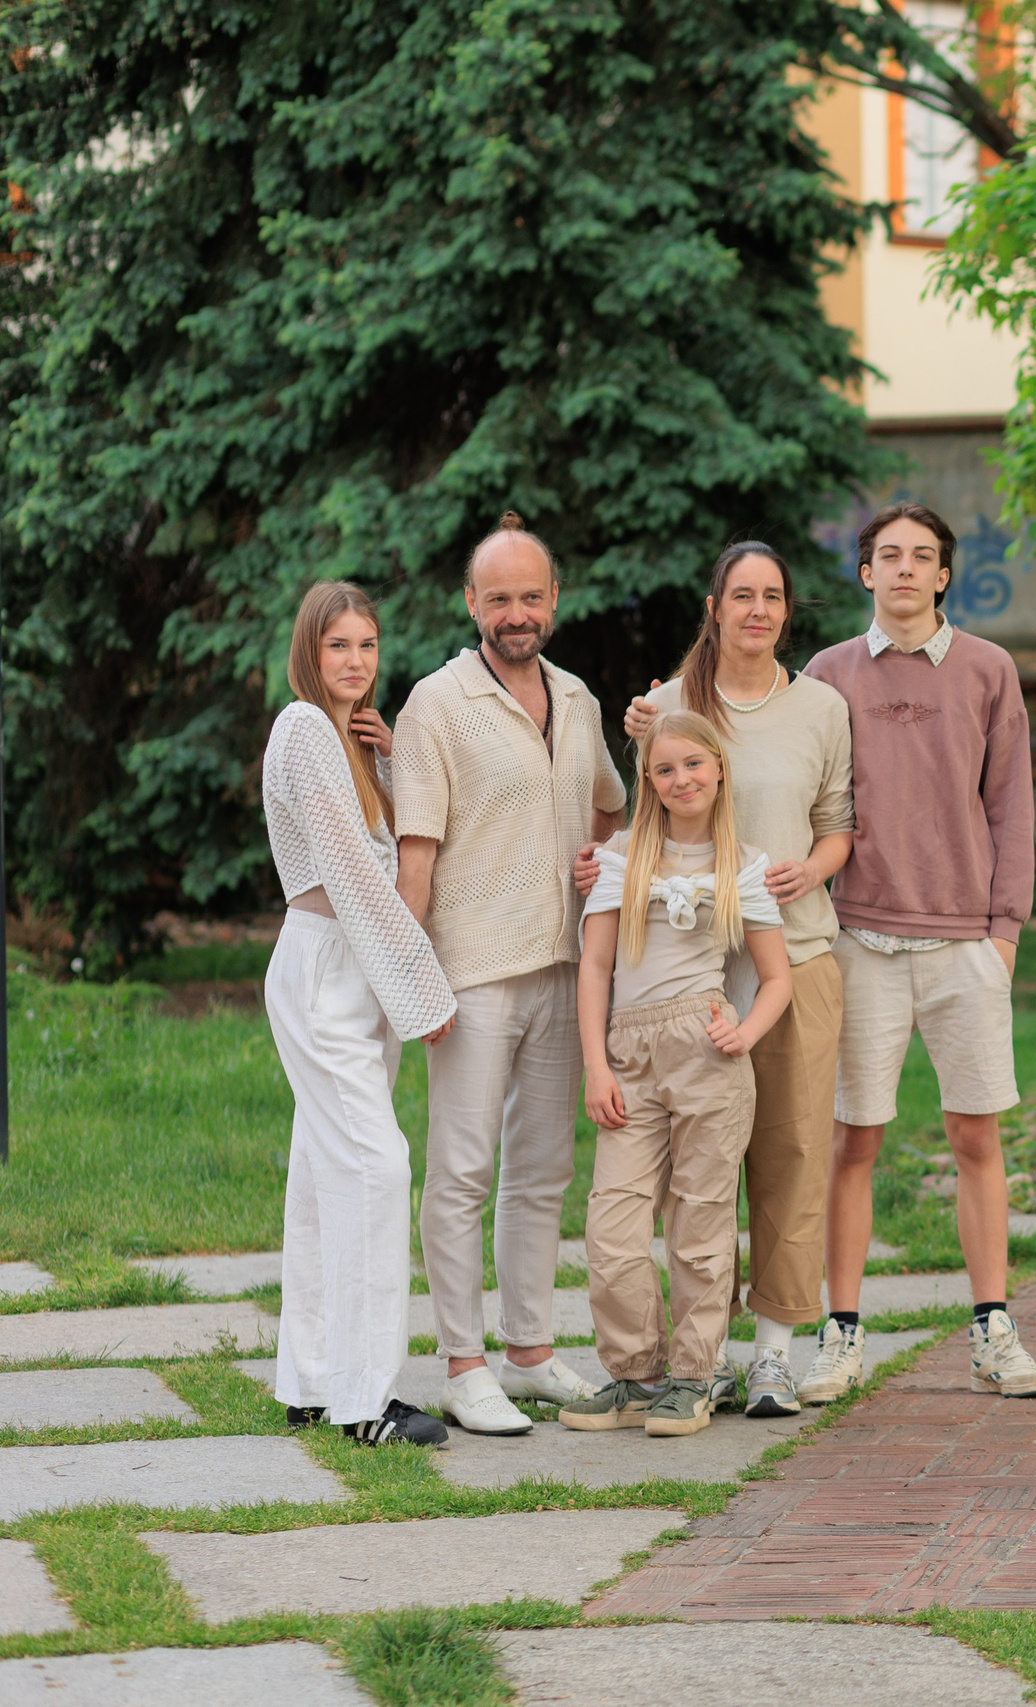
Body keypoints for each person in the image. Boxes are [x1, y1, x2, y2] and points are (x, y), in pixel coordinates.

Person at [801, 502, 1036, 1399]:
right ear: (864, 572)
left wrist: (1005, 935)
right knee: (853, 1136)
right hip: (860, 938)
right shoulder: (827, 674)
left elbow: (1010, 806)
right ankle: (840, 1333)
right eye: (887, 555)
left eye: (922, 556)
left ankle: (993, 1329)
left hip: (966, 947)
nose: (905, 569)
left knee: (975, 1134)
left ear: (945, 574)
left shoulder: (989, 669)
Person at [608, 545, 854, 1420]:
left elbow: (839, 826)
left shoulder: (821, 705)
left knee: (790, 1160)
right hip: (688, 977)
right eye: (741, 595)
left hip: (795, 958)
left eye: (773, 597)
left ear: (788, 611)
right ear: (713, 606)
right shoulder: (667, 705)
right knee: (693, 1175)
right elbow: (640, 818)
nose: (758, 609)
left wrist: (811, 871)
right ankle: (694, 1354)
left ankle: (774, 1355)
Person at [394, 512, 624, 1435]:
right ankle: (463, 1362)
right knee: (460, 1167)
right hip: (472, 974)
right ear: (471, 603)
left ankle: (529, 1351)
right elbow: (416, 855)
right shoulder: (435, 705)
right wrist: (412, 981)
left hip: (567, 966)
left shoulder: (576, 697)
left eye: (532, 596)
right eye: (499, 598)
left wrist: (596, 860)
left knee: (541, 1169)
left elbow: (612, 807)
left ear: (555, 600)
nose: (516, 612)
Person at [263, 582, 458, 1448]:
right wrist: (422, 993)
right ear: (311, 651)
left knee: (324, 1170)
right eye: (339, 646)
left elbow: (372, 842)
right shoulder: (302, 727)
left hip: (355, 972)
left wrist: (382, 763)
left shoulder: (344, 740)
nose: (355, 662)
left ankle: (310, 1380)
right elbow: (350, 876)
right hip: (328, 966)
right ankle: (366, 1400)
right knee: (378, 1167)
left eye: (368, 646)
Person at [564, 711, 794, 1436]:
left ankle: (695, 1374)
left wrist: (744, 1028)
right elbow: (595, 965)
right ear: (650, 783)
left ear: (718, 769)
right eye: (665, 770)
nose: (681, 778)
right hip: (629, 1056)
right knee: (614, 1227)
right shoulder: (621, 857)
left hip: (706, 1051)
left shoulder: (742, 865)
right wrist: (596, 1064)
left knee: (700, 1221)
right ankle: (636, 1373)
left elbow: (775, 978)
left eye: (694, 764)